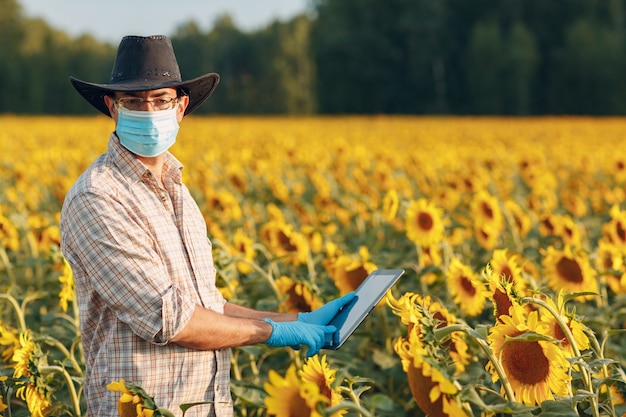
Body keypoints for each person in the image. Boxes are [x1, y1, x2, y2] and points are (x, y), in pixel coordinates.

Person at [60, 35, 354, 417]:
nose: (148, 111)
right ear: (112, 108)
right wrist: (273, 333)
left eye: (160, 100)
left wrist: (297, 320)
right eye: (133, 102)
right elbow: (170, 319)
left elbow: (206, 307)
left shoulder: (178, 191)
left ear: (180, 107)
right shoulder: (98, 197)